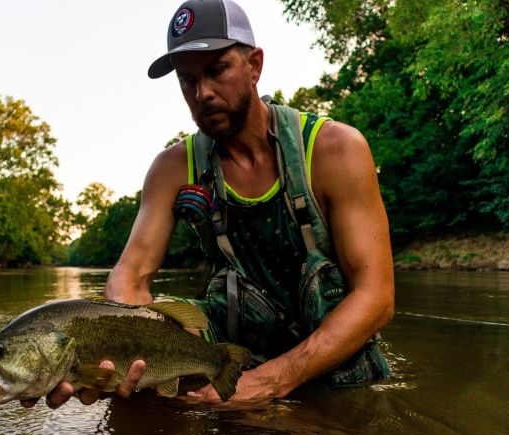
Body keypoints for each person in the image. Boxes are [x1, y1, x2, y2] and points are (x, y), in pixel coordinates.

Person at [31, 0, 394, 409]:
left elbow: (376, 297)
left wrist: (270, 380)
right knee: (131, 399)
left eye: (217, 70)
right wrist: (108, 357)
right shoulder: (172, 167)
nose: (202, 93)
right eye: (187, 80)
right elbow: (130, 277)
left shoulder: (335, 149)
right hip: (233, 342)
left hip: (330, 347)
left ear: (254, 65)